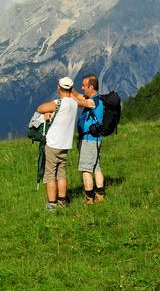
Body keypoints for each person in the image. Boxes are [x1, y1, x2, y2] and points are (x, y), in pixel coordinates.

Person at [29, 77, 87, 213]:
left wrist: (47, 112)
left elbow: (40, 108)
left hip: (53, 144)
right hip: (65, 145)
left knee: (50, 175)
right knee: (61, 174)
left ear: (58, 88)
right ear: (71, 89)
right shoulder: (74, 103)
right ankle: (62, 201)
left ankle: (51, 205)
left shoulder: (58, 103)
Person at [77, 74, 113, 203]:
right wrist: (70, 92)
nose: (82, 88)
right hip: (95, 139)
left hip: (88, 140)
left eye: (84, 86)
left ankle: (89, 198)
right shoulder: (98, 100)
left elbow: (80, 101)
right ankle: (100, 195)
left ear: (91, 87)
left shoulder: (94, 101)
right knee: (96, 167)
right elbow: (79, 97)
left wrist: (67, 97)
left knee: (86, 169)